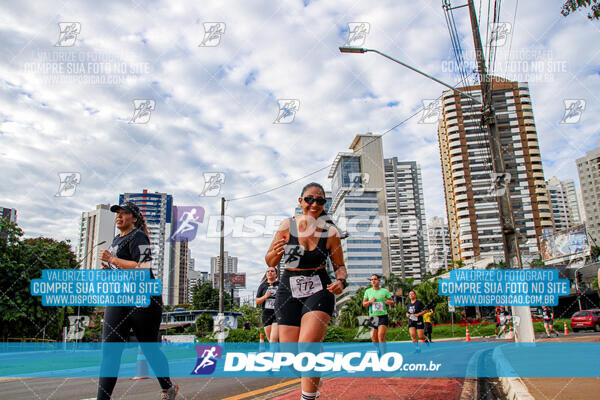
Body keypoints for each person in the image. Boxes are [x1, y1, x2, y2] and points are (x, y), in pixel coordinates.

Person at [266, 182, 347, 400]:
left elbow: (339, 266)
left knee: (307, 346)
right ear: (300, 201)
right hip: (288, 288)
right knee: (292, 357)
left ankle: (308, 396)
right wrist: (275, 253)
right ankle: (314, 358)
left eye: (320, 200)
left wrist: (340, 281)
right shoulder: (287, 226)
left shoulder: (330, 233)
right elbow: (270, 261)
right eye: (309, 199)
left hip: (319, 287)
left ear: (324, 204)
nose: (314, 204)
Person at [96, 201, 177, 400]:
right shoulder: (116, 240)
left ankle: (168, 387)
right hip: (119, 298)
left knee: (149, 348)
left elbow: (142, 267)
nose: (119, 216)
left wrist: (113, 260)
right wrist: (110, 269)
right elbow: (123, 268)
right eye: (117, 213)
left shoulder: (138, 236)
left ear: (134, 218)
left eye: (124, 213)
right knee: (110, 351)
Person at [362, 274, 394, 352]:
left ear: (379, 281)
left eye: (375, 279)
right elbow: (364, 304)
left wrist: (388, 302)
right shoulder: (368, 291)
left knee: (381, 336)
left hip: (383, 316)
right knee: (374, 338)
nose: (373, 281)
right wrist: (370, 301)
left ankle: (384, 356)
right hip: (373, 317)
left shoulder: (384, 291)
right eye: (371, 279)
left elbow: (392, 302)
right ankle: (378, 349)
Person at [256, 266, 280, 342]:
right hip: (266, 315)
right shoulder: (262, 286)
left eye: (272, 271)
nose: (270, 272)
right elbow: (257, 301)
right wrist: (265, 297)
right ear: (266, 274)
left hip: (277, 314)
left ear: (276, 274)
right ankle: (276, 353)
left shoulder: (280, 284)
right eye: (268, 271)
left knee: (273, 340)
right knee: (271, 341)